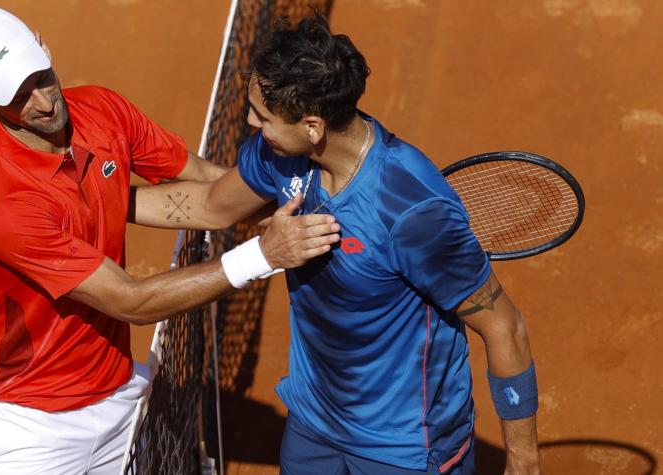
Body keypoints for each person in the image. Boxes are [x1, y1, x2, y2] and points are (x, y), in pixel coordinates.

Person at [133, 14, 541, 475]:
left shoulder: (409, 211)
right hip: (314, 420)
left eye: (263, 117)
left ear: (312, 126)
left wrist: (523, 463)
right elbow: (211, 204)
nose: (250, 123)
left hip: (405, 446)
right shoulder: (280, 154)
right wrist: (101, 202)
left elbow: (506, 327)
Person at [0, 7, 340, 475]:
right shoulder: (3, 203)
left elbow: (211, 191)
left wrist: (294, 198)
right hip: (31, 426)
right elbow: (130, 301)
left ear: (43, 46)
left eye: (40, 77)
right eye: (17, 95)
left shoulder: (102, 111)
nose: (43, 101)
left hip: (120, 395)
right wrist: (264, 253)